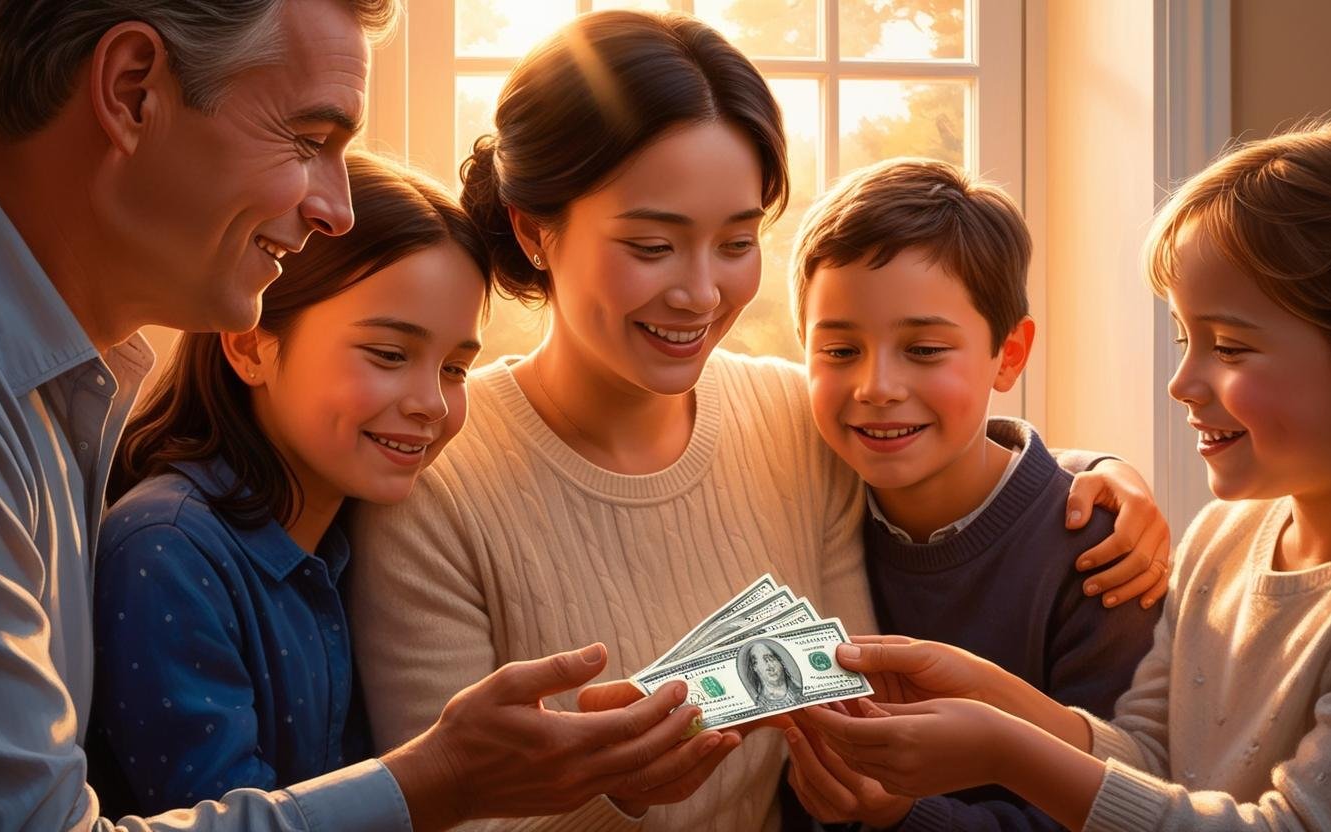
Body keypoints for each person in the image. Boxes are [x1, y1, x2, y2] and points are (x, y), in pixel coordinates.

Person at [347, 10, 1171, 831]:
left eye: (736, 242)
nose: (700, 294)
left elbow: (944, 454)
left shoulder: (791, 419)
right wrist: (619, 791)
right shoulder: (433, 479)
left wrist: (1097, 475)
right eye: (652, 245)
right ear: (534, 230)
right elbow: (441, 814)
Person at [0, 2, 725, 829]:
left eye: (457, 365)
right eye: (310, 140)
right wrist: (438, 781)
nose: (334, 210)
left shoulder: (46, 387)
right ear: (132, 92)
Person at [798, 112, 1331, 832]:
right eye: (1185, 338)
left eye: (1231, 348)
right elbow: (1145, 759)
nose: (1181, 383)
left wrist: (1003, 749)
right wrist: (992, 693)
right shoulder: (1223, 538)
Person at [780, 158, 1162, 830]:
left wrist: (906, 815)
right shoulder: (804, 499)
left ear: (1009, 355)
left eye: (924, 349)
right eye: (839, 351)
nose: (877, 387)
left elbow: (1125, 806)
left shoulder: (1101, 555)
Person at [742, 641, 804, 709]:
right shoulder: (759, 704)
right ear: (754, 668)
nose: (770, 667)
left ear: (781, 662)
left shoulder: (800, 691)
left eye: (770, 659)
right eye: (762, 663)